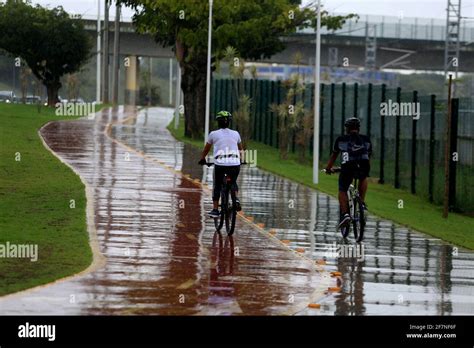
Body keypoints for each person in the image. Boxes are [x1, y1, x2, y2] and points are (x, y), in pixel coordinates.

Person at [325, 117, 372, 229]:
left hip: (348, 167)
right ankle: (362, 203)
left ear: (346, 128)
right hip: (363, 165)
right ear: (359, 128)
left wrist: (328, 168)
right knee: (363, 177)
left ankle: (346, 214)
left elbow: (334, 156)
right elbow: (368, 156)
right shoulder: (366, 139)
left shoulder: (341, 139)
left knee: (342, 189)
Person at [198, 111, 243, 218]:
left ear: (218, 122)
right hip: (235, 164)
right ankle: (235, 198)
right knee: (233, 182)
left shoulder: (213, 134)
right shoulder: (236, 133)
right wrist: (241, 159)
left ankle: (215, 210)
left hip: (220, 165)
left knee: (217, 184)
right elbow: (241, 149)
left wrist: (202, 159)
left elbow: (206, 149)